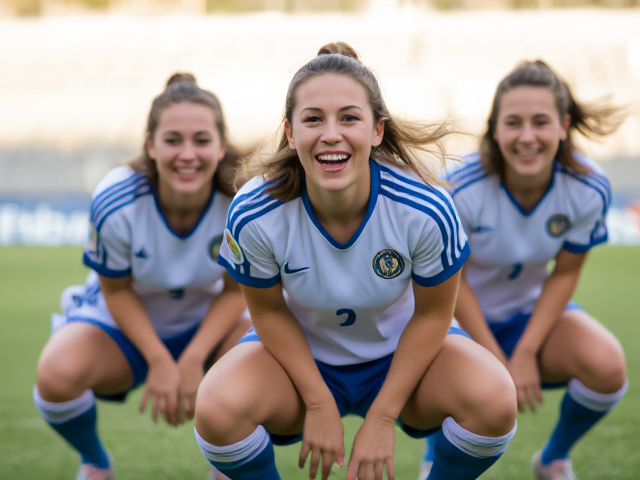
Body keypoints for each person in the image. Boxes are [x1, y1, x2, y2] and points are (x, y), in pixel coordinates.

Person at [193, 42, 517, 480]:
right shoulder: (255, 210)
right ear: (290, 132)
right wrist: (317, 400)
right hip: (301, 362)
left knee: (494, 397)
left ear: (377, 130)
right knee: (216, 407)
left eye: (349, 117)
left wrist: (382, 418)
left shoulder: (425, 208)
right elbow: (266, 310)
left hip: (402, 357)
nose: (331, 134)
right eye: (313, 119)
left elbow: (433, 314)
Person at [418, 60, 628, 480]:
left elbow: (564, 274)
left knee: (607, 366)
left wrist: (527, 350)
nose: (527, 137)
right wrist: (494, 357)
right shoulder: (458, 187)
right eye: (513, 123)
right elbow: (448, 284)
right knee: (444, 373)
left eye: (541, 122)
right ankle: (433, 459)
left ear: (564, 125)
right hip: (453, 322)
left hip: (527, 317)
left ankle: (553, 460)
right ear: (494, 129)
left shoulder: (588, 187)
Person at [34, 73, 250, 480]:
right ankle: (96, 462)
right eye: (173, 140)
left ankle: (228, 467)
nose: (188, 154)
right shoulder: (116, 199)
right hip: (124, 328)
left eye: (202, 140)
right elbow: (114, 289)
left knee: (271, 363)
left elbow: (236, 292)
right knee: (56, 373)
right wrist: (157, 359)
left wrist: (190, 359)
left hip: (212, 328)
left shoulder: (243, 201)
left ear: (221, 146)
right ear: (150, 145)